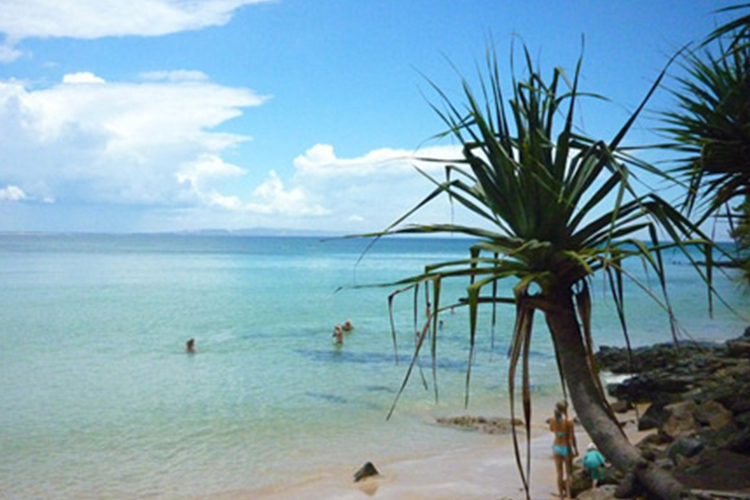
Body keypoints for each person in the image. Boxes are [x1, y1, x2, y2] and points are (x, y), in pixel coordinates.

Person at [549, 400, 578, 499]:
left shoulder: (552, 419)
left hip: (556, 446)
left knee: (559, 472)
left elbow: (552, 429)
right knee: (569, 472)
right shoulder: (569, 421)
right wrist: (575, 449)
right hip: (566, 446)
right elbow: (571, 437)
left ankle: (561, 495)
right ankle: (569, 495)